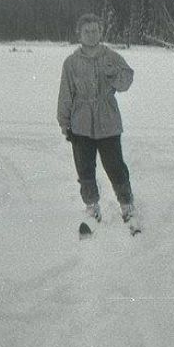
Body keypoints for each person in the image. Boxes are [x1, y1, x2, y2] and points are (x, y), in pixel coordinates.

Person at [57, 13, 137, 224]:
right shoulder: (71, 62)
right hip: (80, 123)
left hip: (108, 121)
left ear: (101, 32)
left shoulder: (111, 57)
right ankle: (92, 207)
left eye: (95, 31)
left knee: (115, 165)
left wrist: (114, 75)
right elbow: (65, 94)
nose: (91, 35)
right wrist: (64, 123)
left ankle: (127, 205)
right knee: (84, 167)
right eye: (87, 31)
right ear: (79, 34)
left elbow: (126, 82)